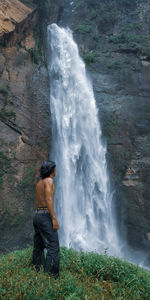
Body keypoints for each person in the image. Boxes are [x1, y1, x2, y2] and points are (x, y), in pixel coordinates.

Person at [32, 161, 59, 279]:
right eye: (55, 169)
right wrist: (53, 218)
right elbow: (48, 199)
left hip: (37, 215)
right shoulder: (49, 181)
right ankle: (51, 277)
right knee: (53, 247)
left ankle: (36, 271)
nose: (56, 171)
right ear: (52, 170)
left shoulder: (39, 183)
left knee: (38, 246)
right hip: (45, 216)